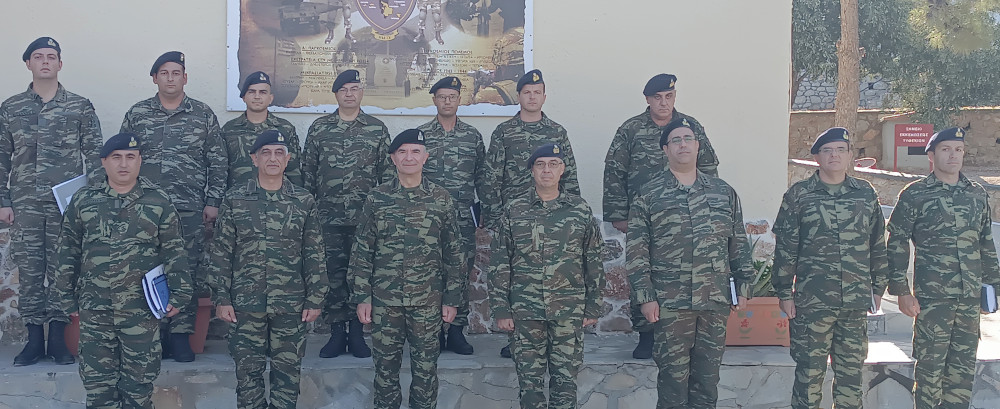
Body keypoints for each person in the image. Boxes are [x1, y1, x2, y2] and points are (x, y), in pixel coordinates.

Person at [52, 132, 192, 408]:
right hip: (96, 309)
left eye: (131, 157)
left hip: (140, 310)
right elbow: (67, 250)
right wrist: (66, 297)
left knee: (138, 389)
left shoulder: (158, 201)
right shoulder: (84, 200)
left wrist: (180, 294)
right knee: (98, 389)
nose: (124, 164)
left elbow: (174, 251)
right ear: (104, 162)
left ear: (140, 161)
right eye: (116, 157)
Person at [628, 118, 753, 409]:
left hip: (713, 301)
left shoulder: (723, 192)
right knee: (672, 384)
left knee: (707, 383)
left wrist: (743, 287)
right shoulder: (648, 194)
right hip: (671, 303)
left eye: (688, 139)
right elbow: (636, 252)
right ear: (665, 149)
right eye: (675, 140)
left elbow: (737, 242)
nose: (682, 144)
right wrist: (645, 298)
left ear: (698, 146)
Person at [1, 36, 103, 366]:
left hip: (66, 206)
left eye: (51, 56)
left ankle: (58, 340)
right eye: (38, 56)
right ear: (28, 64)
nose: (45, 61)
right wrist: (3, 200)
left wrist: (91, 201)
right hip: (26, 203)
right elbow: (1, 156)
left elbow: (95, 155)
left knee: (63, 270)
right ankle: (33, 341)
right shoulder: (11, 108)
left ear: (60, 64)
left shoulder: (79, 106)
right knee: (30, 272)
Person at [771, 127, 890, 409]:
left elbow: (877, 244)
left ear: (850, 155)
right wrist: (784, 293)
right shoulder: (799, 195)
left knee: (851, 379)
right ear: (816, 157)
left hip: (854, 302)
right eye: (827, 150)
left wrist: (878, 287)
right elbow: (786, 248)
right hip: (812, 302)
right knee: (809, 377)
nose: (834, 155)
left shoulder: (865, 193)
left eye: (840, 150)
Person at [603, 73, 719, 359]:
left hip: (686, 215)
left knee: (683, 273)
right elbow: (615, 171)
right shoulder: (631, 129)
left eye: (669, 96)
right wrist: (618, 214)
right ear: (648, 99)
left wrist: (710, 208)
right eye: (657, 97)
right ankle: (646, 334)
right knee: (642, 271)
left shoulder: (690, 128)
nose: (664, 103)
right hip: (642, 216)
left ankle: (683, 332)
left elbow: (708, 167)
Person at [209, 130, 328, 409]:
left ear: (287, 159)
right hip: (245, 303)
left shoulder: (303, 201)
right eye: (266, 153)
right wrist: (221, 298)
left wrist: (315, 298)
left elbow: (313, 252)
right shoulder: (235, 199)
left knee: (287, 374)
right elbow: (222, 252)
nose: (272, 159)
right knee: (247, 374)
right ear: (254, 158)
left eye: (278, 153)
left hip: (291, 303)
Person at [120, 51, 226, 362]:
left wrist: (213, 202)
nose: (170, 78)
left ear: (185, 78)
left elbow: (217, 162)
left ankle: (180, 335)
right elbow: (122, 159)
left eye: (176, 73)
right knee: (146, 269)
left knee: (186, 270)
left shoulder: (202, 114)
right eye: (164, 73)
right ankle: (154, 335)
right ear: (155, 78)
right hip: (144, 208)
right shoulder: (138, 114)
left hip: (188, 208)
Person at [886, 127, 1000, 409]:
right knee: (929, 373)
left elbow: (985, 243)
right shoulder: (915, 194)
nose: (953, 155)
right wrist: (901, 291)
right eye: (946, 149)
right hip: (932, 300)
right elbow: (897, 241)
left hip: (969, 300)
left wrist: (993, 289)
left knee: (962, 374)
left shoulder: (976, 194)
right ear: (931, 155)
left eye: (958, 150)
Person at [350, 129, 464, 409]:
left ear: (426, 157)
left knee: (426, 373)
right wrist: (362, 296)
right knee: (385, 372)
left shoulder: (441, 198)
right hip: (385, 302)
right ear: (393, 158)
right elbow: (363, 250)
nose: (409, 157)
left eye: (415, 151)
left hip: (427, 301)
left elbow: (454, 252)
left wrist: (452, 299)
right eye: (402, 152)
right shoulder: (377, 198)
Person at [490, 143, 606, 409]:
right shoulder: (514, 209)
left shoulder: (579, 209)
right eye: (540, 164)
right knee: (529, 385)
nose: (546, 170)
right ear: (532, 170)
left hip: (568, 310)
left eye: (553, 164)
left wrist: (593, 305)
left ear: (562, 170)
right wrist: (501, 308)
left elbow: (593, 260)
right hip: (525, 310)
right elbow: (500, 261)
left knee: (565, 383)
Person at [481, 69, 580, 357]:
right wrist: (495, 217)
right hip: (516, 220)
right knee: (516, 279)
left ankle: (554, 338)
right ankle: (517, 340)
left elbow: (569, 175)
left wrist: (574, 213)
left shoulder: (557, 132)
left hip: (555, 218)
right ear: (519, 96)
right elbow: (491, 178)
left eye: (537, 93)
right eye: (527, 92)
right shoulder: (504, 132)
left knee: (554, 278)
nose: (532, 97)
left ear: (544, 97)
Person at [302, 69, 390, 358]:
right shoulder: (320, 128)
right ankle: (337, 333)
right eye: (344, 90)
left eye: (354, 88)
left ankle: (357, 332)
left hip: (365, 219)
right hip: (327, 217)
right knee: (332, 275)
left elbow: (387, 175)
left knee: (361, 275)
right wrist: (308, 212)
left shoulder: (376, 129)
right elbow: (308, 171)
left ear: (361, 92)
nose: (349, 94)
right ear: (336, 94)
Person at [417, 76, 485, 355]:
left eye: (452, 97)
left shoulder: (472, 136)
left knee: (461, 273)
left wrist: (485, 212)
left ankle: (456, 331)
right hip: (428, 220)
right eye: (442, 97)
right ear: (434, 100)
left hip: (462, 220)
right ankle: (433, 332)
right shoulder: (421, 136)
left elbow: (482, 176)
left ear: (459, 100)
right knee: (430, 274)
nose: (447, 101)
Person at [221, 71, 302, 189]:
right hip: (238, 197)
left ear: (271, 98)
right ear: (243, 97)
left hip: (276, 198)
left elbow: (293, 171)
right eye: (252, 92)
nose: (257, 97)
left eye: (263, 92)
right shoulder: (229, 130)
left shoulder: (285, 129)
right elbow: (221, 170)